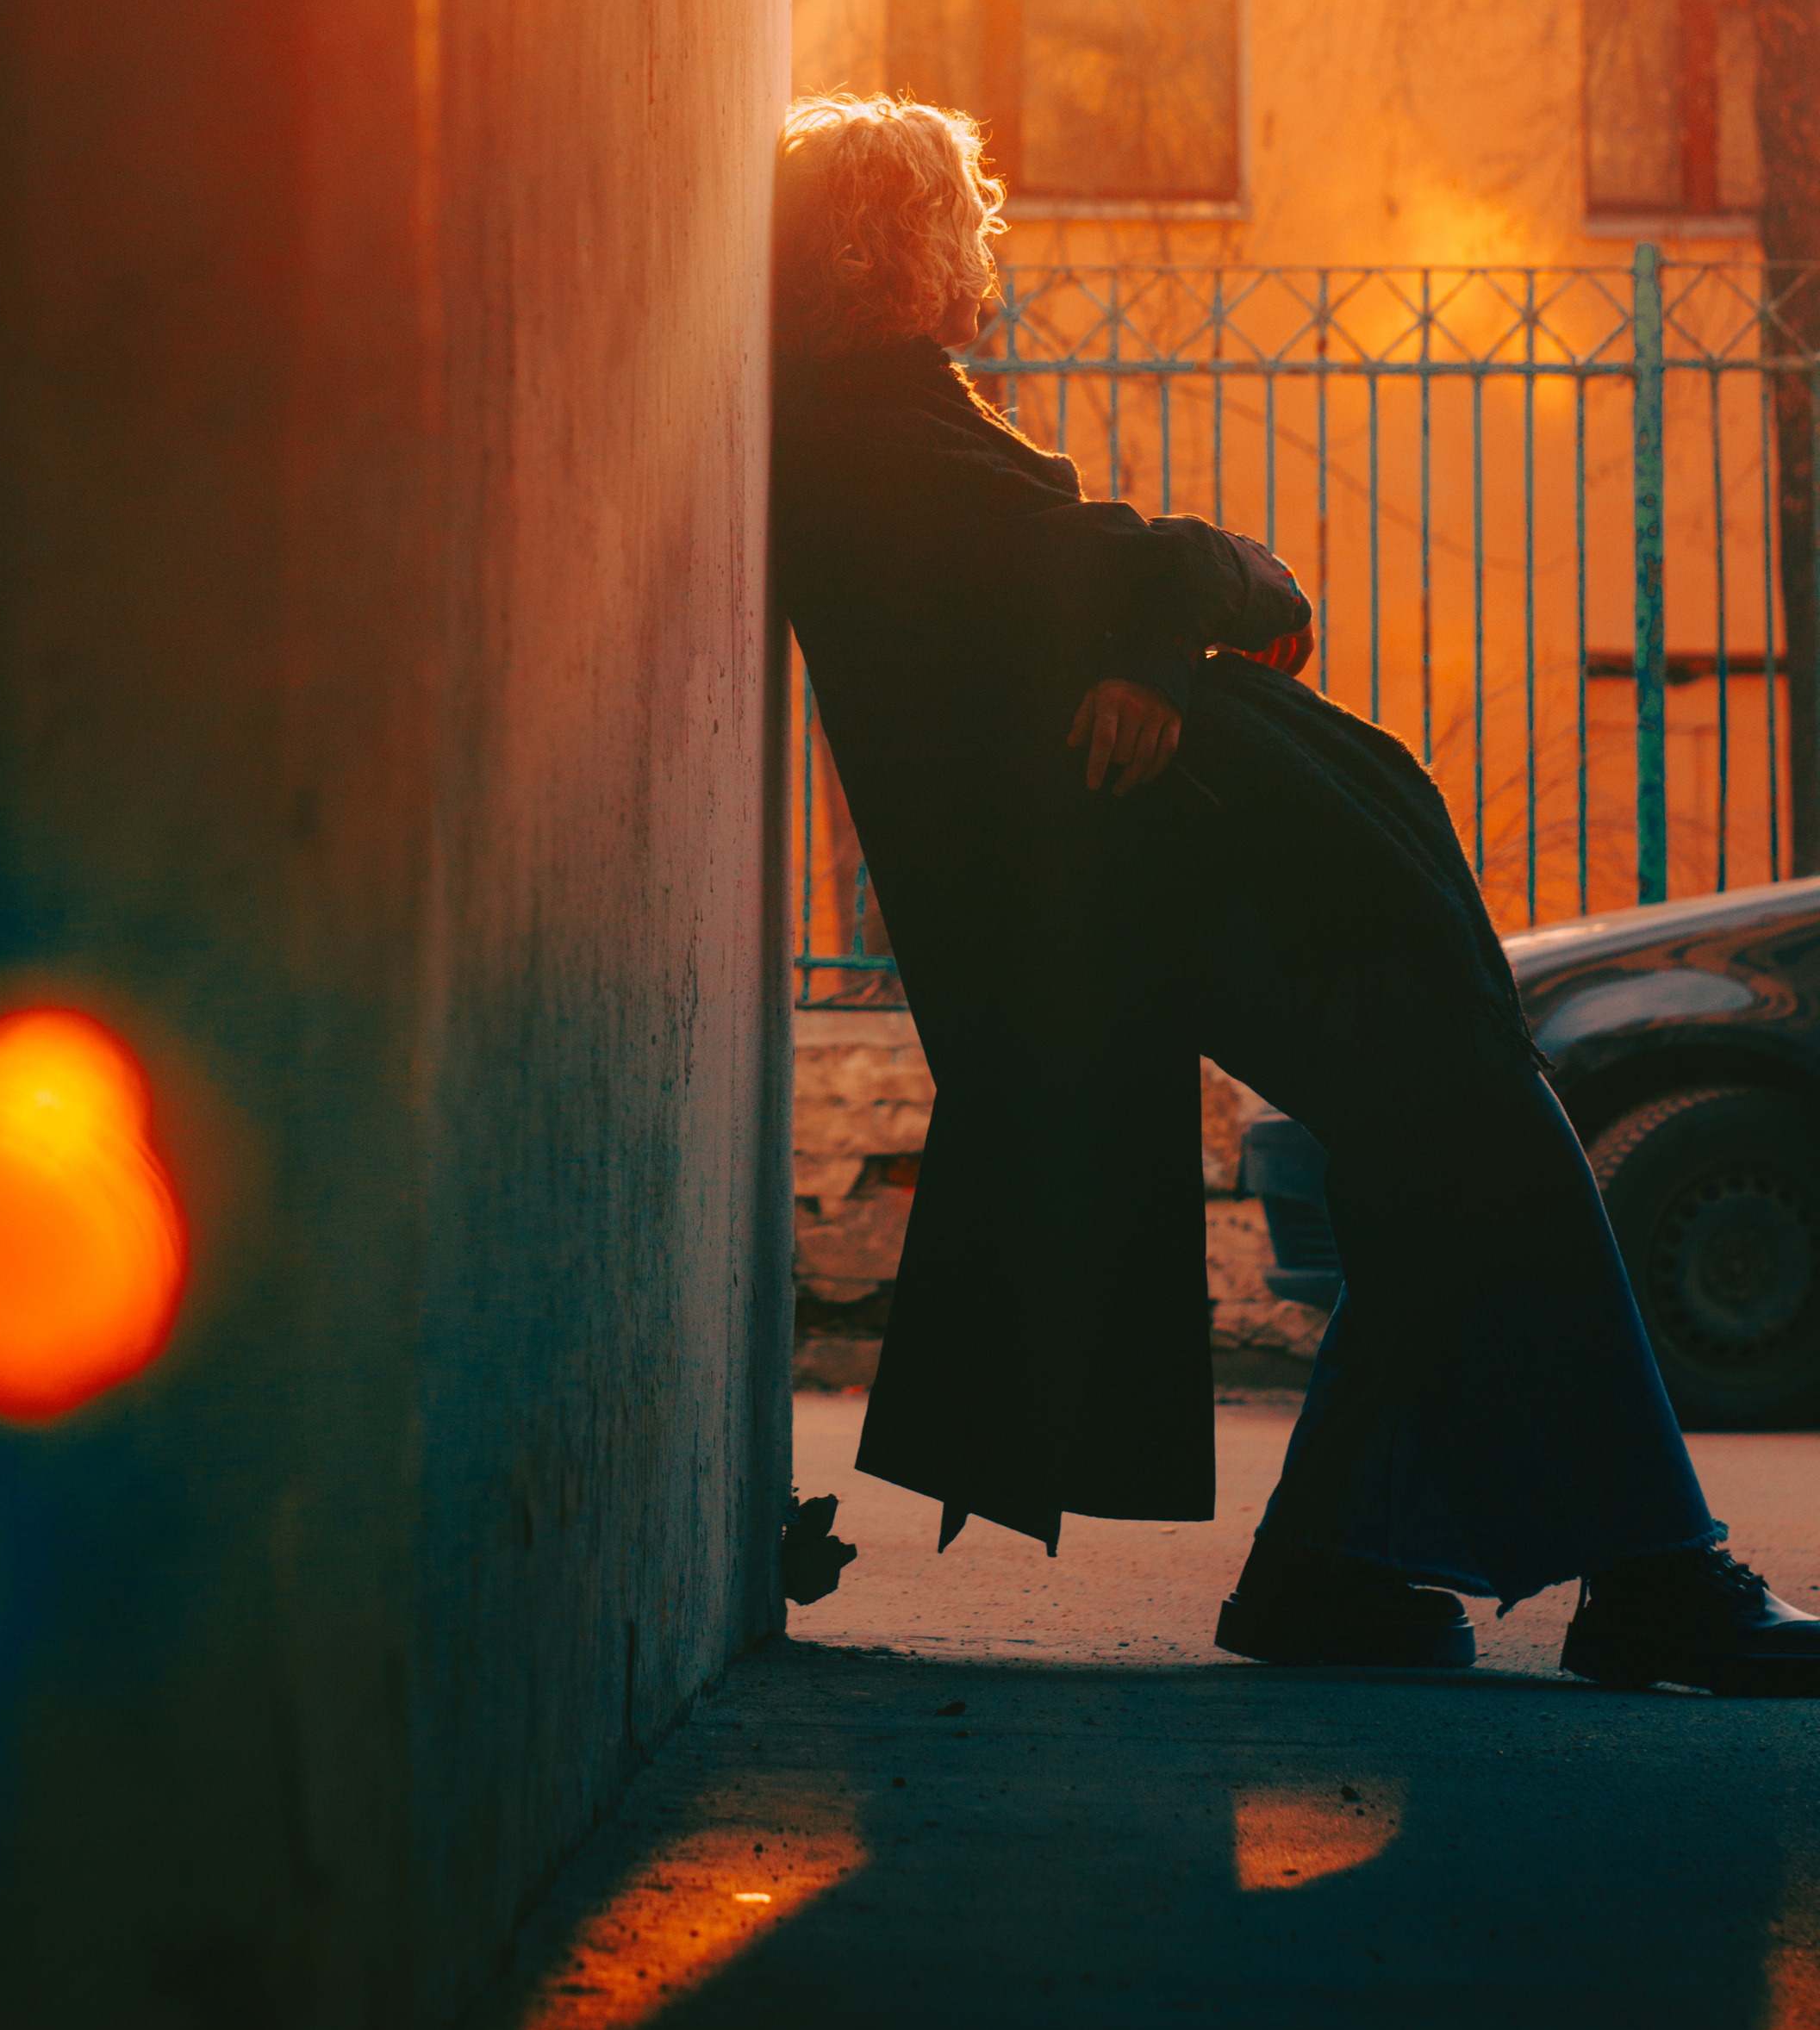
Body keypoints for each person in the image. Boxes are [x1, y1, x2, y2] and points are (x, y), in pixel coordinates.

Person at [771, 90, 1820, 1694]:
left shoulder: (899, 425)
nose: (975, 253)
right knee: (1476, 1125)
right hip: (1149, 892)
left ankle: (1347, 1562)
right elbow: (1154, 565)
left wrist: (1149, 643)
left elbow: (1100, 584)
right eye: (953, 224)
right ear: (903, 241)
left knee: (1453, 1142)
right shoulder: (867, 437)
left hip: (1155, 881)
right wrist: (1182, 608)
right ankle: (1649, 1576)